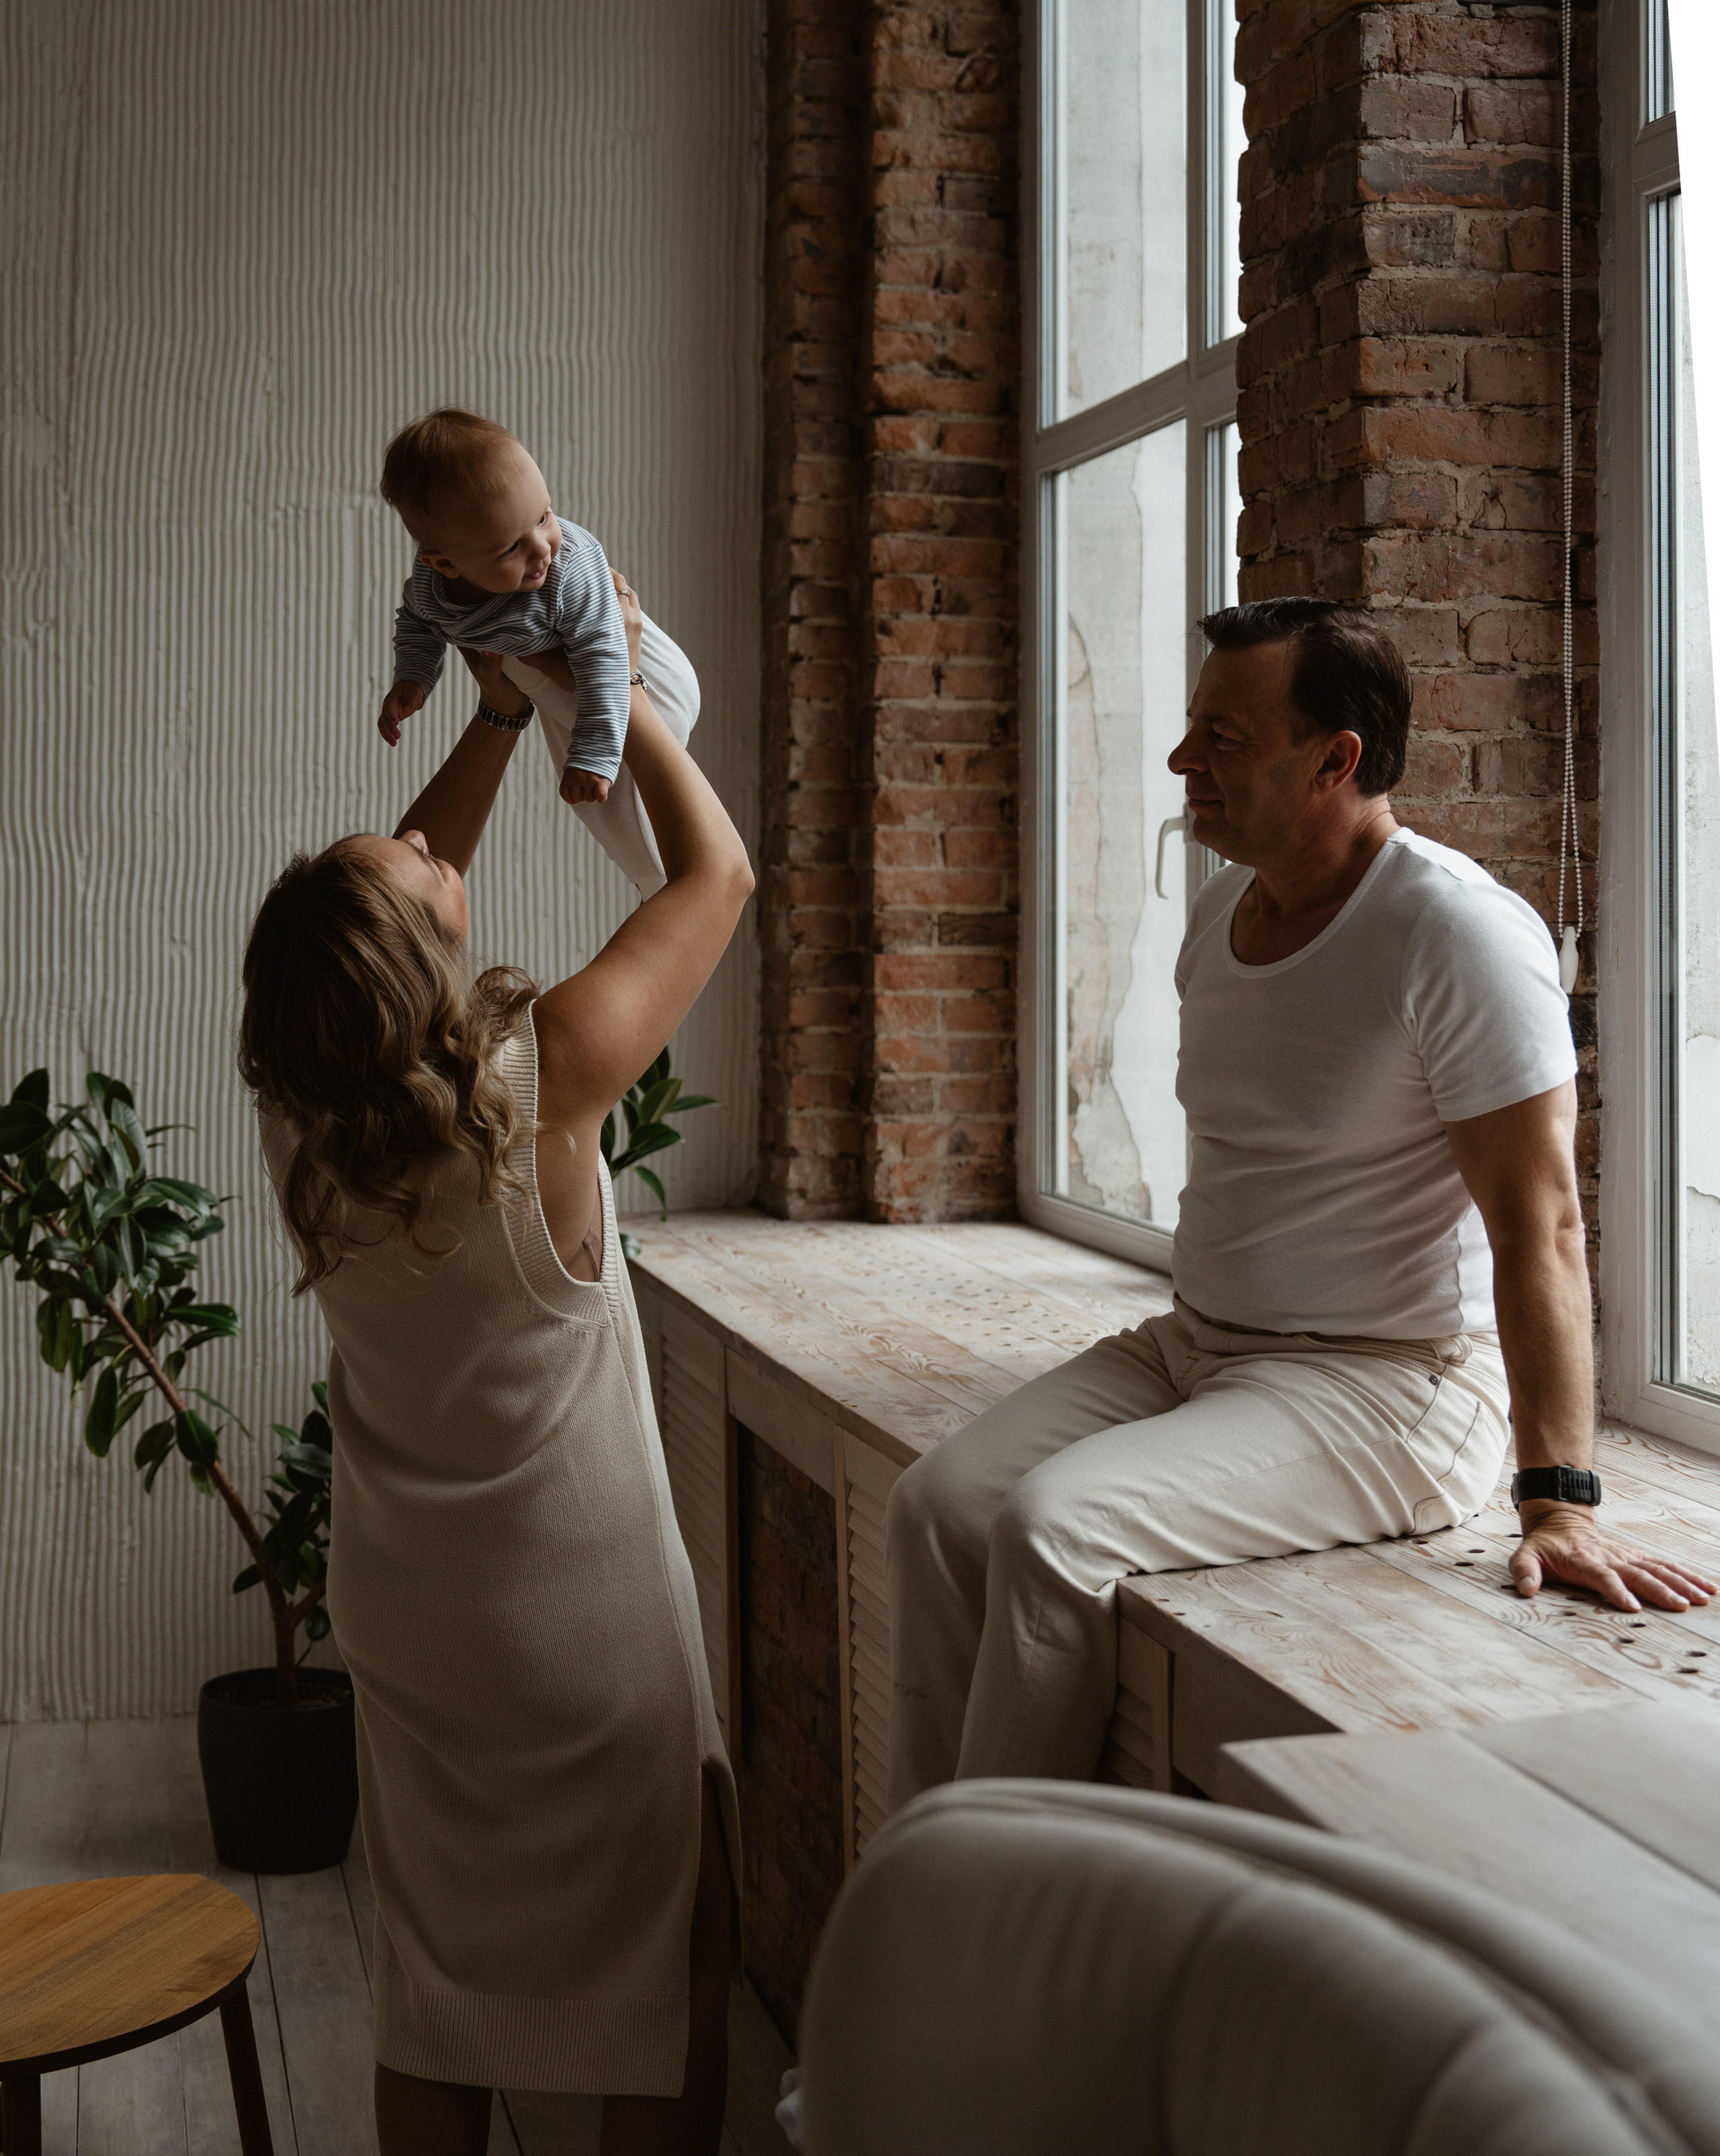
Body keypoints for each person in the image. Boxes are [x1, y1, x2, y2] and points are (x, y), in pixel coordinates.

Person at [886, 597, 1717, 1808]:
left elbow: (1542, 1225)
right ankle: (927, 1872)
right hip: (1199, 1348)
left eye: (1222, 738)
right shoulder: (1228, 906)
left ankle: (1000, 1923)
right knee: (937, 1507)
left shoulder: (1457, 935)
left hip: (1389, 1388)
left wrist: (1560, 1502)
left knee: (1054, 1527)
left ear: (1337, 761)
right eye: (1190, 729)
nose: (1182, 762)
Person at [240, 575, 752, 2156]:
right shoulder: (543, 1083)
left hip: (410, 1611)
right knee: (674, 1954)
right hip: (571, 1621)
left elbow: (410, 879)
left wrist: (495, 707)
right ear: (420, 946)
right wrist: (606, 699)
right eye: (389, 860)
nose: (408, 839)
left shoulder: (303, 1105)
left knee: (439, 1979)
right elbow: (717, 869)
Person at [376, 409, 701, 895]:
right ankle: (671, 889)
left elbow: (606, 653)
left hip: (636, 679)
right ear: (446, 564)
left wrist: (593, 752)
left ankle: (687, 892)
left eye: (544, 516)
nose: (544, 547)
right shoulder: (430, 590)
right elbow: (420, 624)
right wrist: (414, 678)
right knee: (608, 823)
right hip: (557, 693)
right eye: (511, 547)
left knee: (631, 822)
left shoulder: (569, 570)